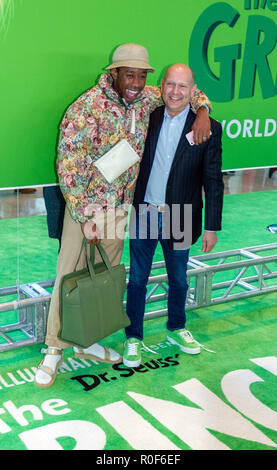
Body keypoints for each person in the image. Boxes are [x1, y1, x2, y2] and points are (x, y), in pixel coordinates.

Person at [34, 44, 212, 388]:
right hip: (86, 209)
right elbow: (68, 164)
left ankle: (88, 342)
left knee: (104, 278)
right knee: (69, 278)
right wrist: (85, 214)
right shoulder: (87, 107)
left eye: (142, 74)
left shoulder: (147, 97)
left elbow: (190, 90)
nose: (135, 81)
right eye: (129, 73)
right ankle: (54, 349)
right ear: (113, 73)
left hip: (119, 209)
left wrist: (202, 110)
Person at [123, 64, 224, 368]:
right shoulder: (147, 117)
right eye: (170, 85)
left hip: (181, 215)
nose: (175, 92)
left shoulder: (207, 127)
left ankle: (176, 328)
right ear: (161, 86)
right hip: (144, 212)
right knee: (138, 279)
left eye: (183, 87)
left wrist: (212, 227)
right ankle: (133, 337)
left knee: (179, 279)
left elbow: (213, 180)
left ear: (193, 91)